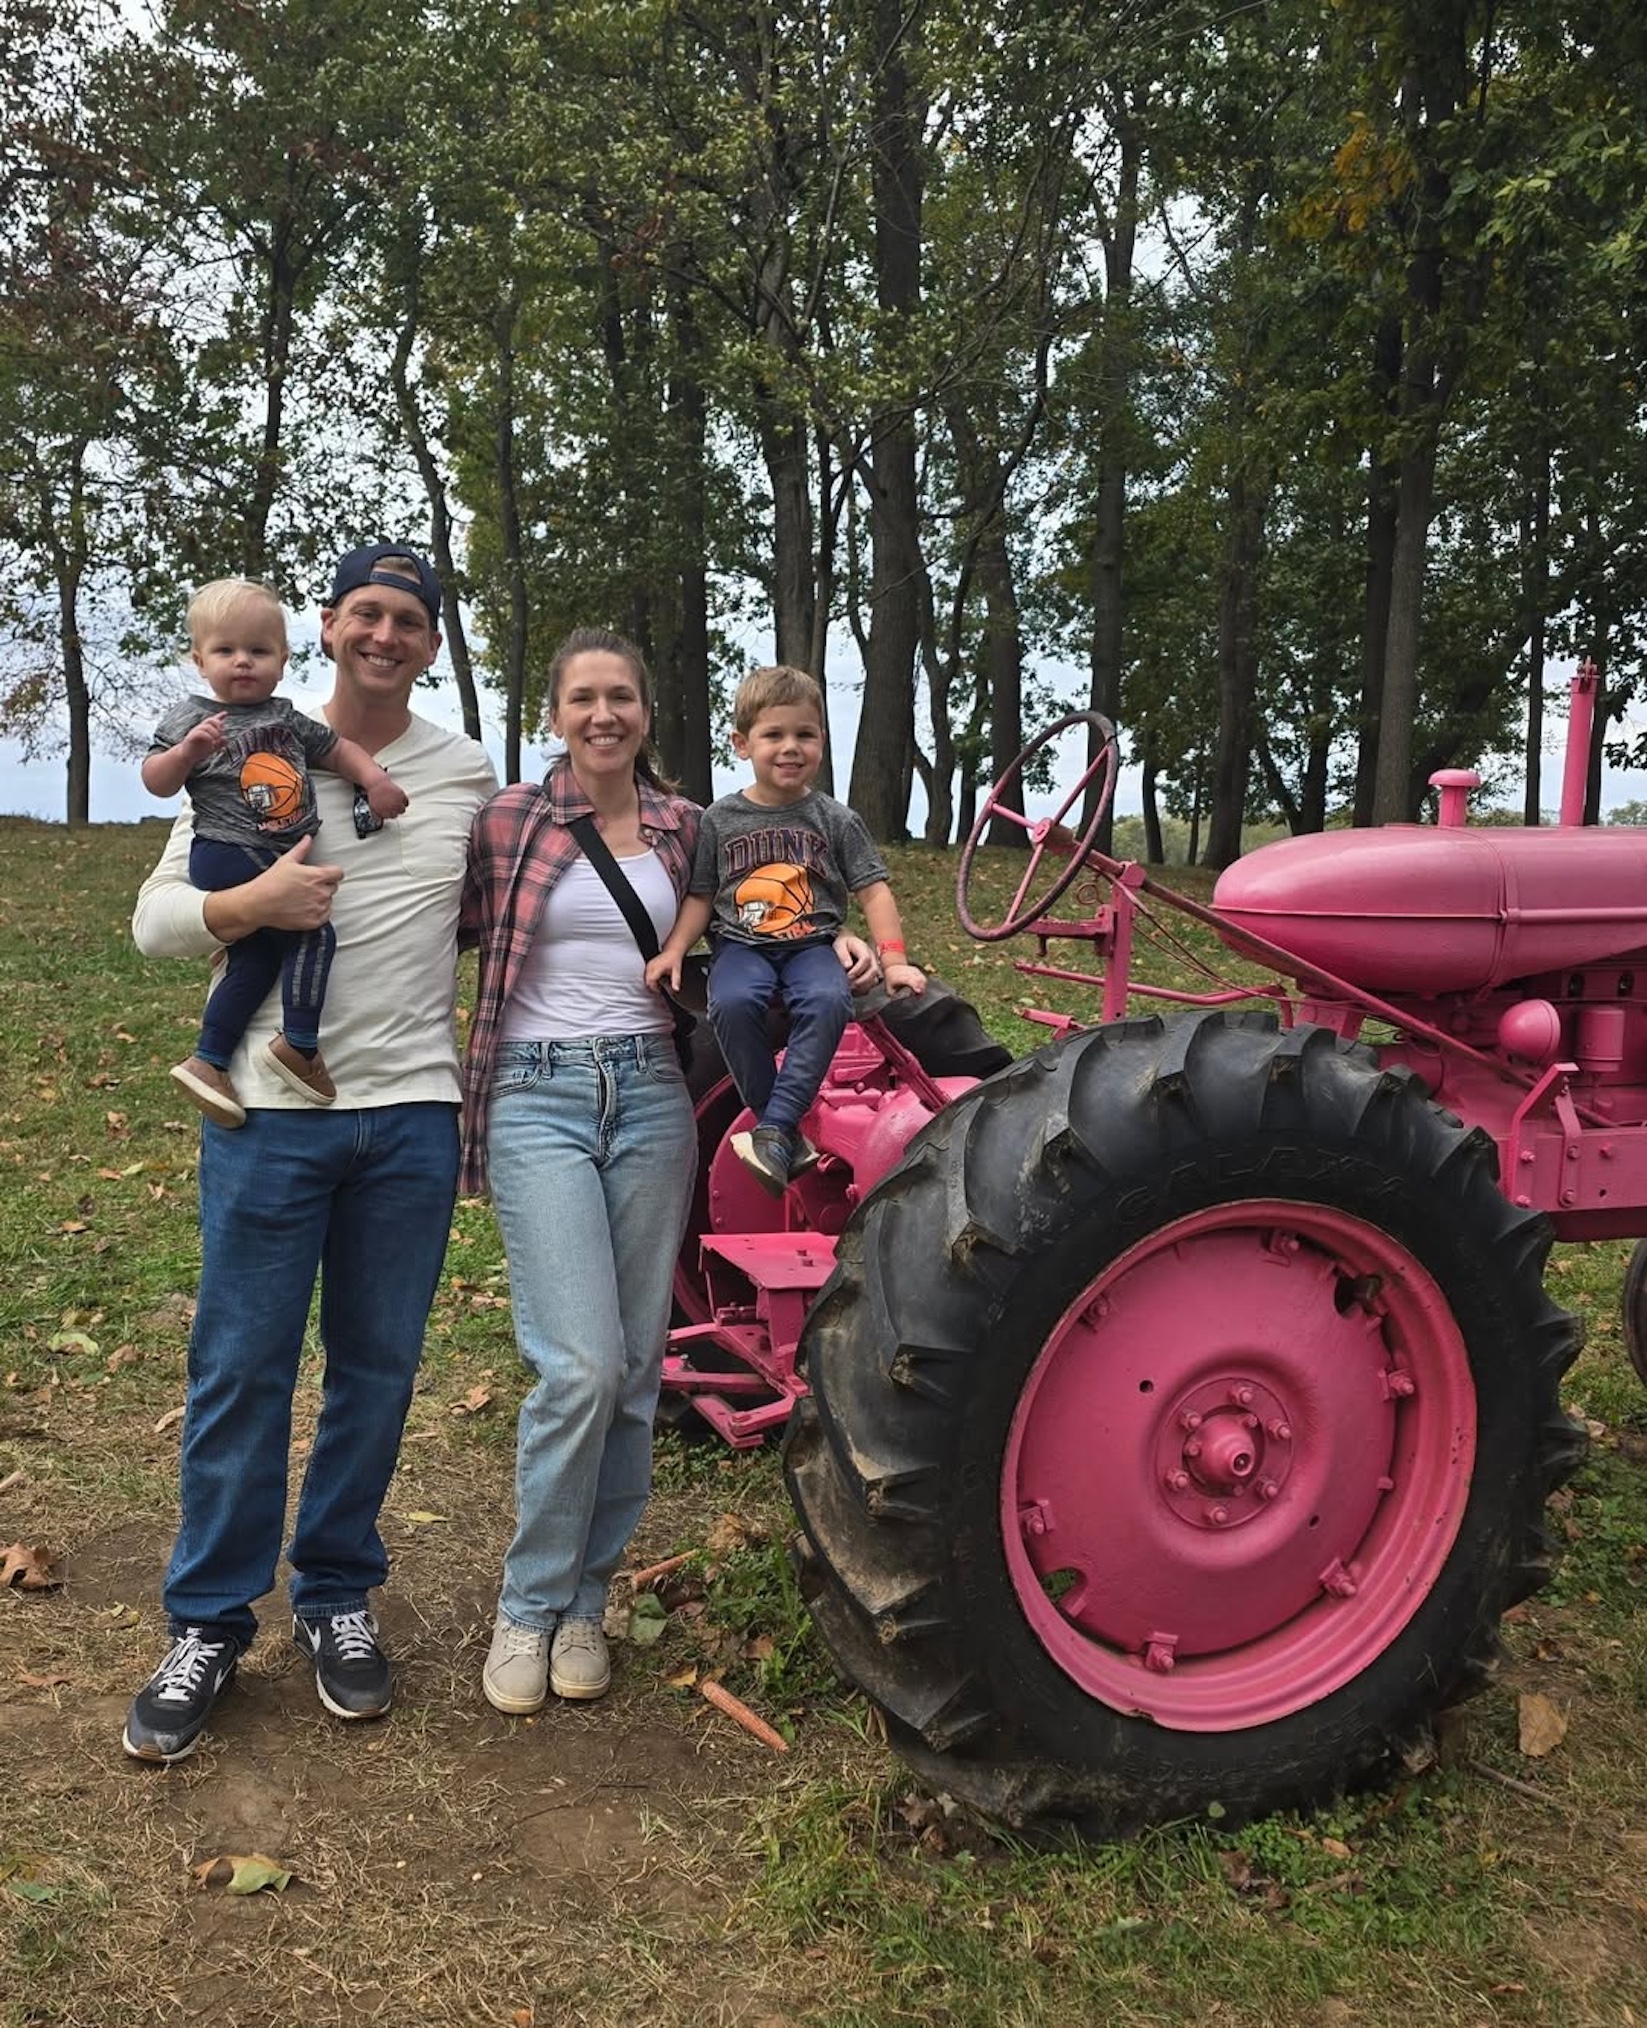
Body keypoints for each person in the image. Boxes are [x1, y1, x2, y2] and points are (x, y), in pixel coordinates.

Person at [122, 543, 498, 1765]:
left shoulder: (465, 772)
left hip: (408, 1118)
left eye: (410, 620)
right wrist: (252, 908)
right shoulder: (245, 738)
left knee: (377, 1373)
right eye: (365, 614)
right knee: (241, 1370)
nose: (385, 635)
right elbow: (157, 922)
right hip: (265, 1120)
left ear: (431, 644)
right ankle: (209, 1622)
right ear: (327, 627)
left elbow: (532, 903)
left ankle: (336, 1594)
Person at [459, 630, 872, 1716]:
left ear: (647, 715)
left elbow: (792, 910)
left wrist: (846, 948)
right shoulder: (509, 821)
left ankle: (587, 1602)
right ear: (555, 714)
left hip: (650, 1092)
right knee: (581, 1366)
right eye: (583, 699)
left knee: (639, 1370)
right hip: (538, 1096)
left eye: (623, 699)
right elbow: (429, 929)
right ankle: (528, 1602)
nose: (604, 715)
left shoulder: (697, 827)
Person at [142, 577, 410, 1128]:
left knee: (258, 957)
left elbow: (337, 749)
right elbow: (156, 781)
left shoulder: (285, 719)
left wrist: (374, 780)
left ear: (283, 660)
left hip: (272, 850)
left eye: (258, 651)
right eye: (225, 651)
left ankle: (209, 1058)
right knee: (314, 931)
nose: (242, 662)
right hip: (230, 850)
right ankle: (301, 1046)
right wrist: (189, 752)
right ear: (199, 660)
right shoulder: (191, 718)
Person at [647, 664, 924, 1195]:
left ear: (822, 740)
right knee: (731, 1003)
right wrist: (675, 950)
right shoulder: (721, 819)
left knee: (828, 1002)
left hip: (812, 946)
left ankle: (774, 1129)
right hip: (741, 946)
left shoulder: (835, 819)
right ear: (742, 743)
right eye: (774, 734)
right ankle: (779, 1123)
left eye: (805, 734)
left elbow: (874, 891)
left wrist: (894, 961)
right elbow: (702, 894)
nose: (790, 747)